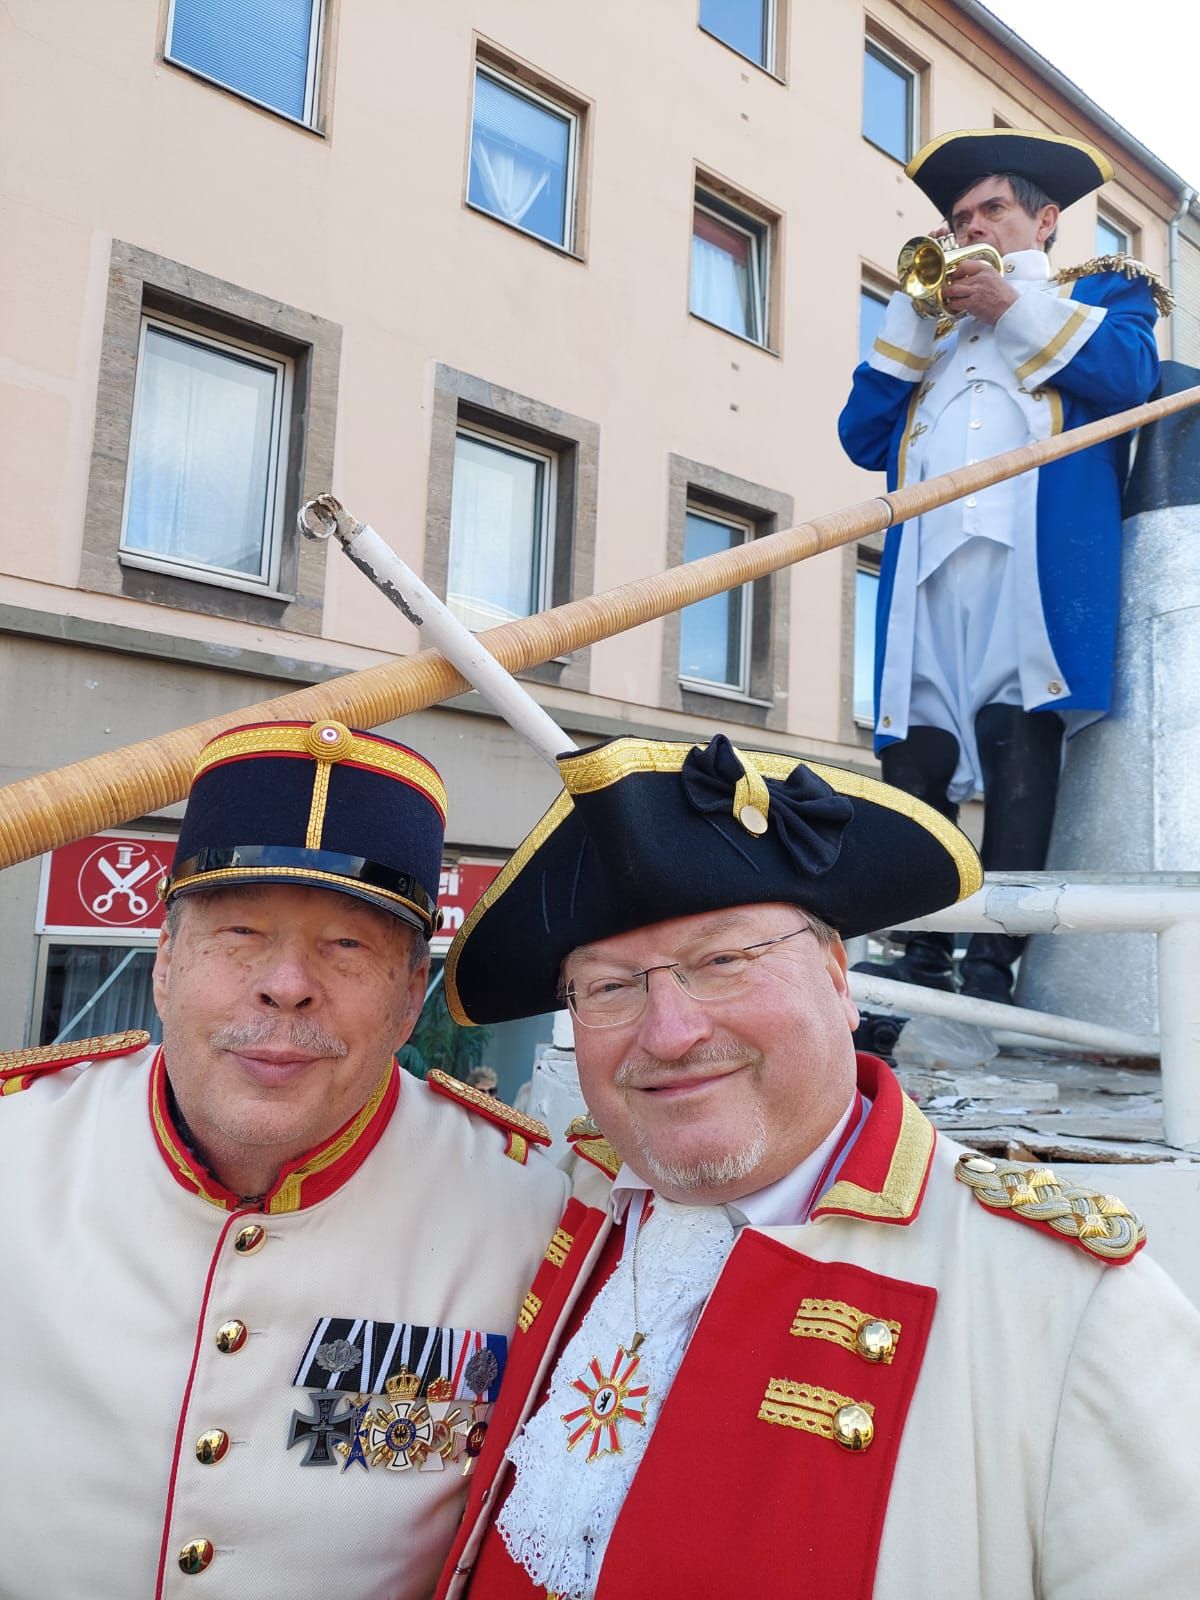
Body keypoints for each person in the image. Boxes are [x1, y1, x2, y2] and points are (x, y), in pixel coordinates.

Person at [432, 732, 1199, 1599]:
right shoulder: (553, 1197)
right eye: (610, 987)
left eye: (723, 961)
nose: (669, 1033)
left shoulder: (1073, 1310)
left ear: (838, 979)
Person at [0, 718, 567, 1599]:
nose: (287, 986)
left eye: (347, 946)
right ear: (165, 965)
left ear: (410, 996)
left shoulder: (534, 1213)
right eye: (240, 934)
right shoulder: (18, 1146)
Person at [839, 129, 1169, 999]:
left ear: (1045, 220)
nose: (971, 227)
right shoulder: (933, 332)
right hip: (927, 568)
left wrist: (1008, 307)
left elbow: (1131, 376)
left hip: (1031, 561)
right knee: (914, 754)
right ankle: (920, 953)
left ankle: (992, 964)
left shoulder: (1100, 292)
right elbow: (860, 436)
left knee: (1017, 744)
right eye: (960, 218)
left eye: (991, 209)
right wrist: (913, 317)